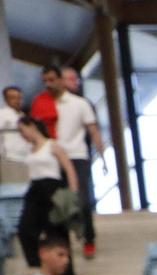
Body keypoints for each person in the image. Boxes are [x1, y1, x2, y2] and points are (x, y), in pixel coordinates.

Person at [47, 68, 102, 259]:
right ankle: (62, 245)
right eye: (70, 79)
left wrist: (102, 155)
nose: (74, 82)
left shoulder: (81, 104)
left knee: (82, 200)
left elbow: (93, 131)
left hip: (77, 156)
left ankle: (89, 238)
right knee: (57, 203)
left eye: (75, 79)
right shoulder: (47, 104)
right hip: (53, 157)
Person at [8, 122, 79, 269]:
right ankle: (38, 264)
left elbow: (69, 168)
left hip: (53, 188)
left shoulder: (52, 145)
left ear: (32, 126)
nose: (22, 135)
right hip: (35, 189)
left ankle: (64, 268)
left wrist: (73, 194)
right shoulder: (29, 149)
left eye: (23, 130)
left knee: (56, 230)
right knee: (25, 228)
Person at [0, 88, 32, 183]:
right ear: (6, 99)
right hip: (10, 158)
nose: (17, 101)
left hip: (26, 158)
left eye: (19, 98)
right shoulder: (2, 115)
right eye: (13, 98)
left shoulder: (23, 116)